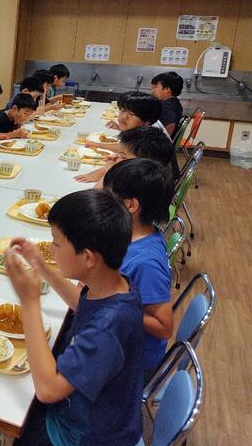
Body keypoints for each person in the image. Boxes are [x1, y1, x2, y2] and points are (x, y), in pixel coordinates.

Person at [0, 190, 143, 446]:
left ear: (88, 257)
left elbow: (48, 390)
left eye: (56, 243)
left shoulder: (108, 327)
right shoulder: (115, 287)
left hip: (77, 436)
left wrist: (29, 300)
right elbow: (82, 305)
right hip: (94, 415)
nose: (50, 248)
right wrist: (40, 265)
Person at [103, 159, 174, 375]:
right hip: (116, 338)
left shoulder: (146, 263)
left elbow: (164, 328)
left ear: (131, 205)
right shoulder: (133, 234)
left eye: (108, 198)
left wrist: (111, 305)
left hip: (129, 362)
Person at [76, 125, 174, 187]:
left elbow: (95, 200)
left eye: (123, 156)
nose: (114, 156)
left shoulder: (136, 184)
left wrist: (108, 173)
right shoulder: (148, 173)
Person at [150, 72, 184, 136]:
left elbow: (171, 124)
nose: (152, 91)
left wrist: (159, 140)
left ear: (167, 89)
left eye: (155, 87)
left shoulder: (166, 106)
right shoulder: (175, 102)